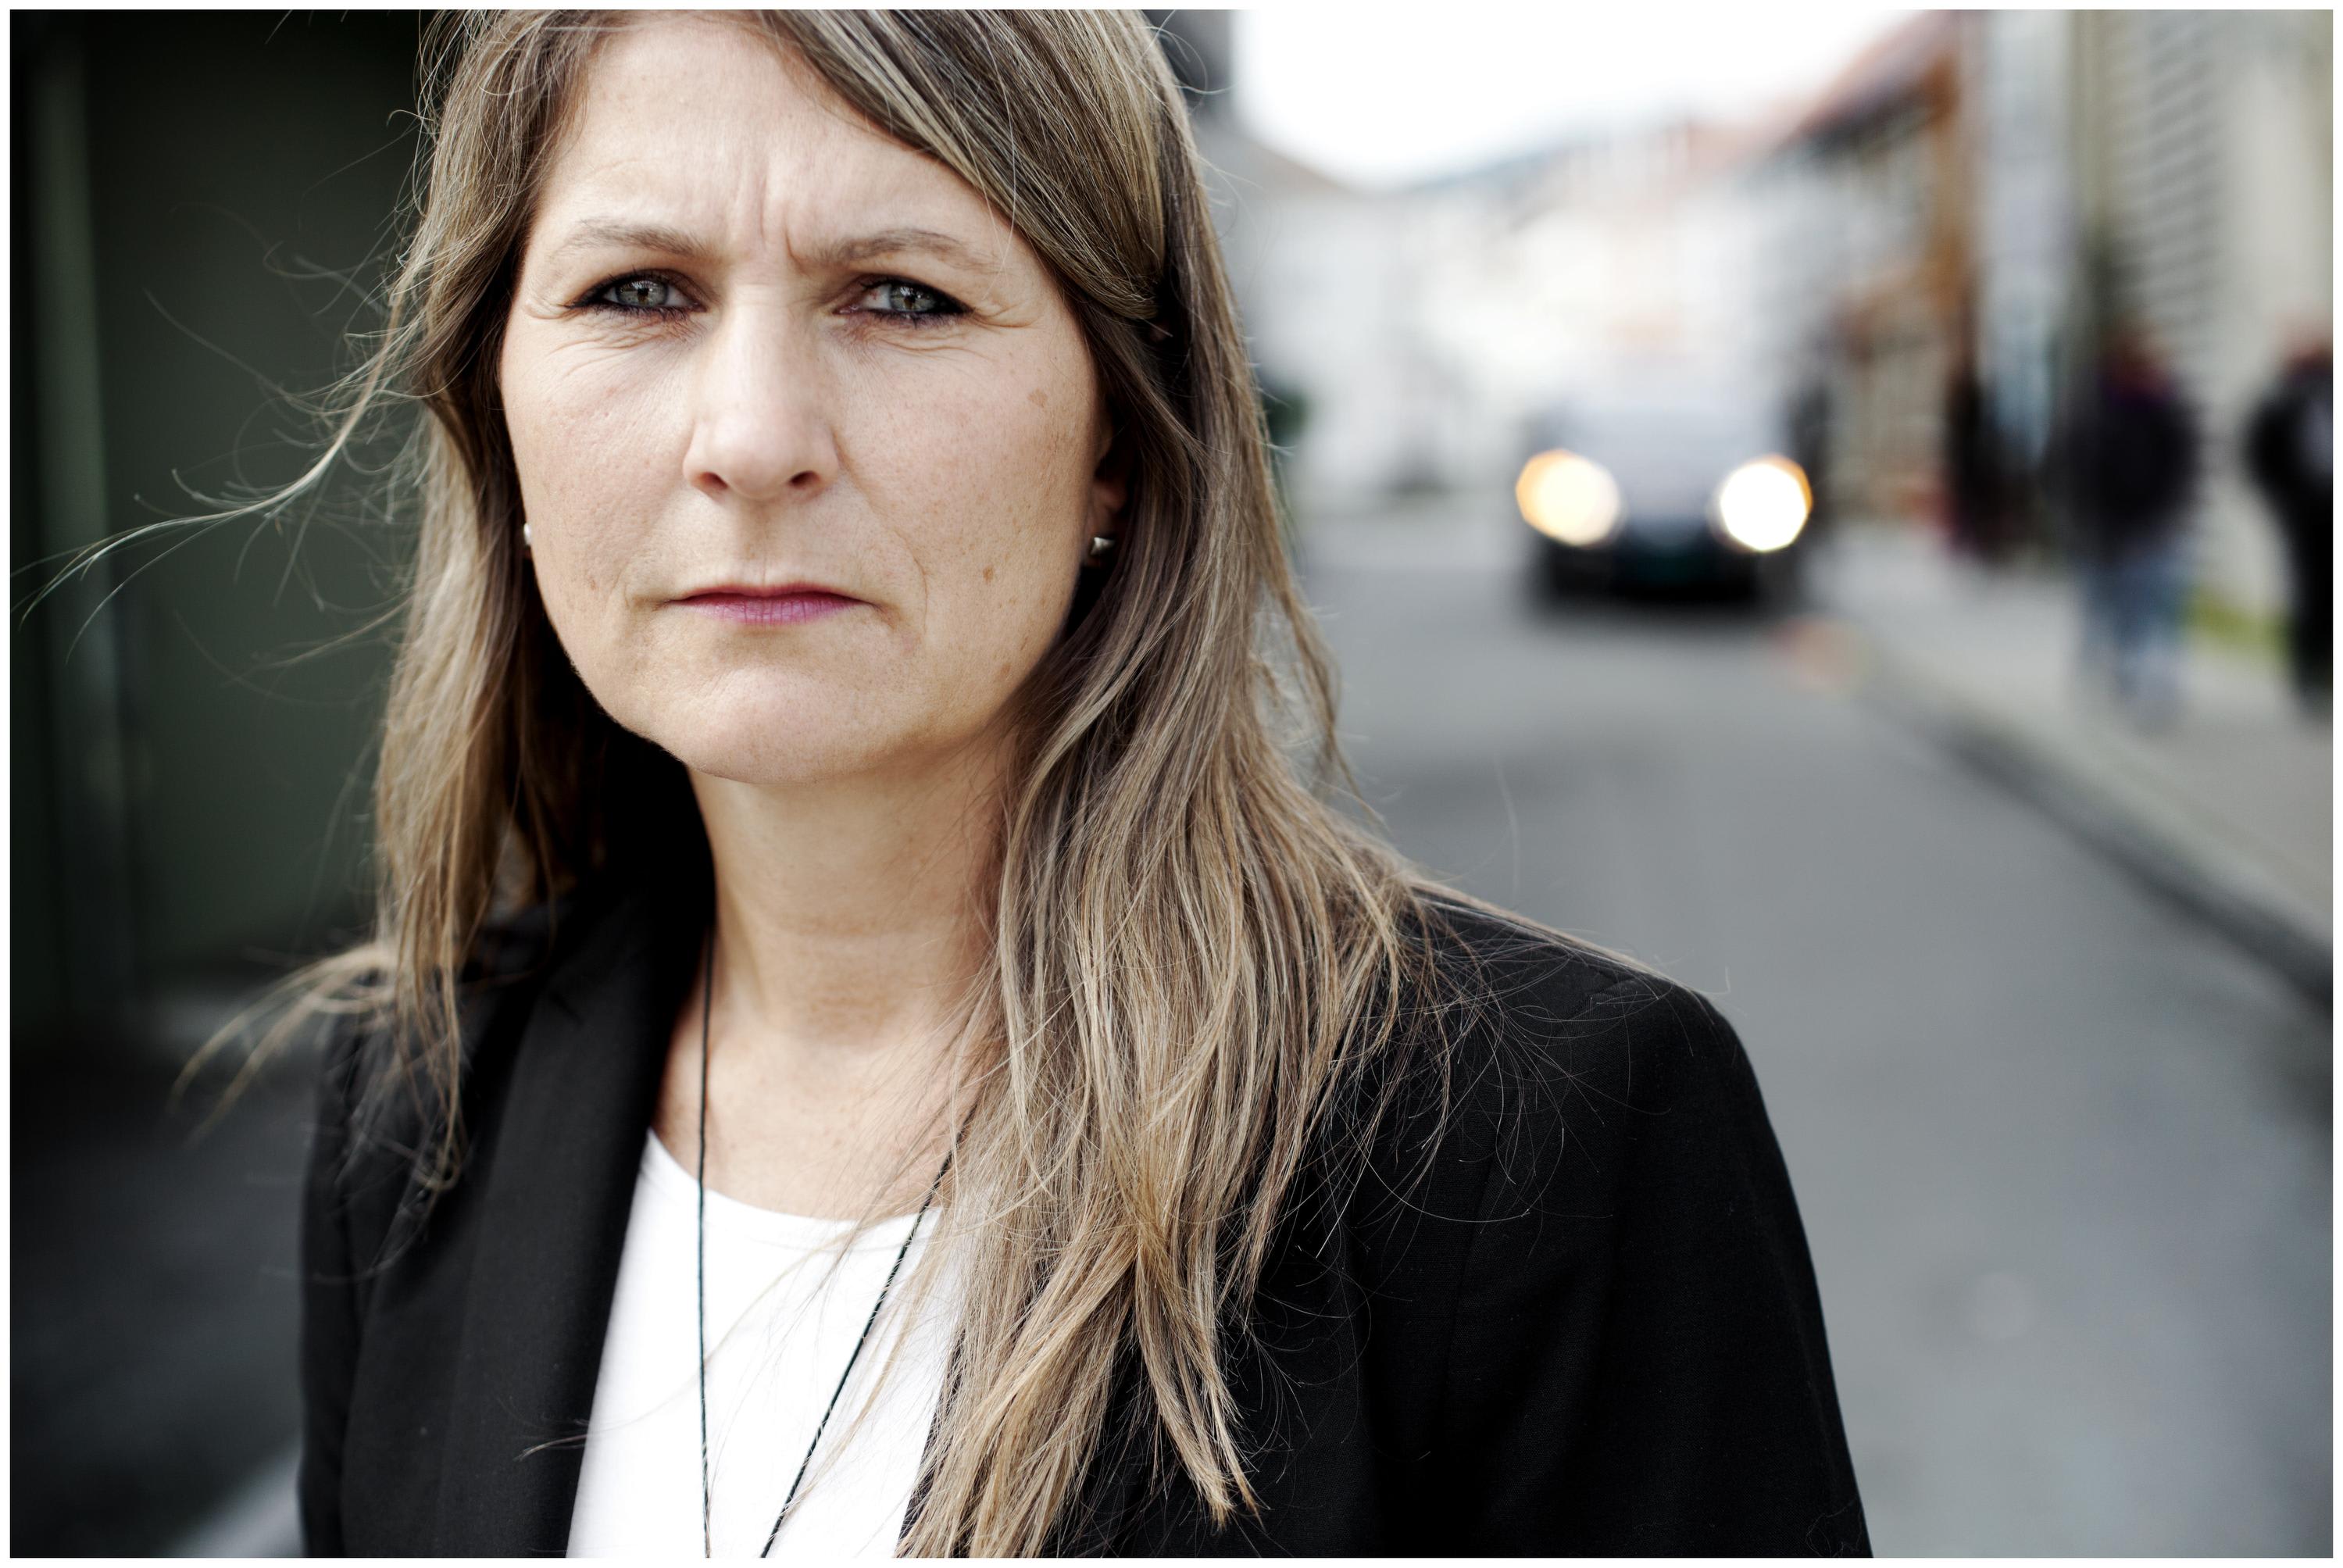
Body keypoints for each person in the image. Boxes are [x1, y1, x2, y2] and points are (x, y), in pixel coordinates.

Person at [270, 11, 1867, 1556]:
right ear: (496, 404)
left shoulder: (1541, 1144)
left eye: (900, 296)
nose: (749, 438)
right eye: (636, 290)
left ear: (1117, 433)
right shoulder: (413, 1109)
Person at [2064, 327, 2201, 728]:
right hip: (2104, 528)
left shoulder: (2166, 409)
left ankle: (2149, 685)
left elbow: (2182, 464)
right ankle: (2113, 673)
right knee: (2109, 607)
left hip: (2152, 526)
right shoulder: (2094, 411)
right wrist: (2081, 518)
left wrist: (2171, 511)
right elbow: (2073, 466)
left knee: (2154, 607)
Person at [2243, 337, 2333, 713]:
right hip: (2302, 512)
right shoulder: (2279, 400)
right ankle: (2308, 674)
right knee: (2308, 594)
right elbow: (2257, 455)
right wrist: (2282, 500)